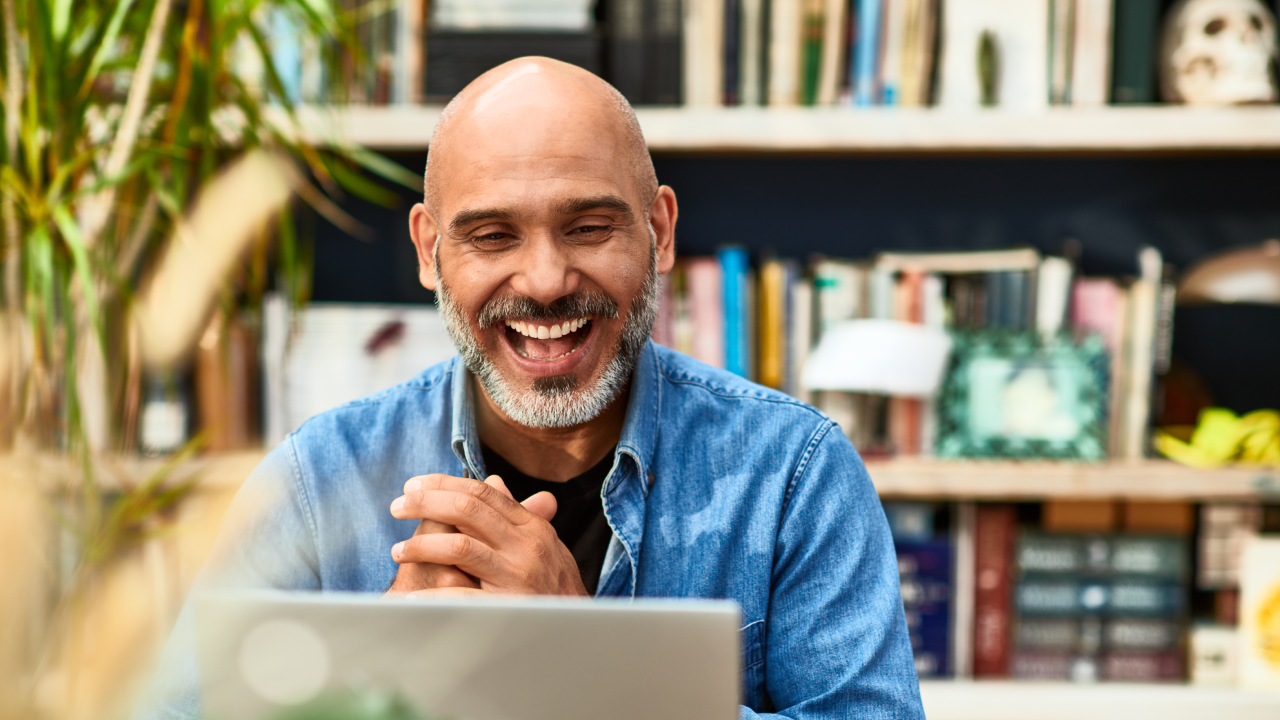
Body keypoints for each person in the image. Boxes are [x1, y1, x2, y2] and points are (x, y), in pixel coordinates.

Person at [136, 57, 924, 720]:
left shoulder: (794, 473)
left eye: (588, 228)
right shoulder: (317, 482)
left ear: (661, 233)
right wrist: (370, 684)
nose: (546, 282)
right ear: (428, 250)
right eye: (492, 236)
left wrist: (587, 662)